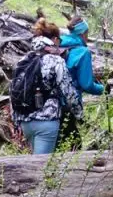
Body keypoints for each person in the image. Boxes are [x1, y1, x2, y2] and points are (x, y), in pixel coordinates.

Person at [10, 18, 82, 155]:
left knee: (38, 163)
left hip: (25, 122)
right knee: (42, 168)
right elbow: (68, 92)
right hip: (47, 120)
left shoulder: (23, 61)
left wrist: (16, 121)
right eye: (59, 40)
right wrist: (79, 114)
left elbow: (13, 91)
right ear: (54, 40)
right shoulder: (56, 61)